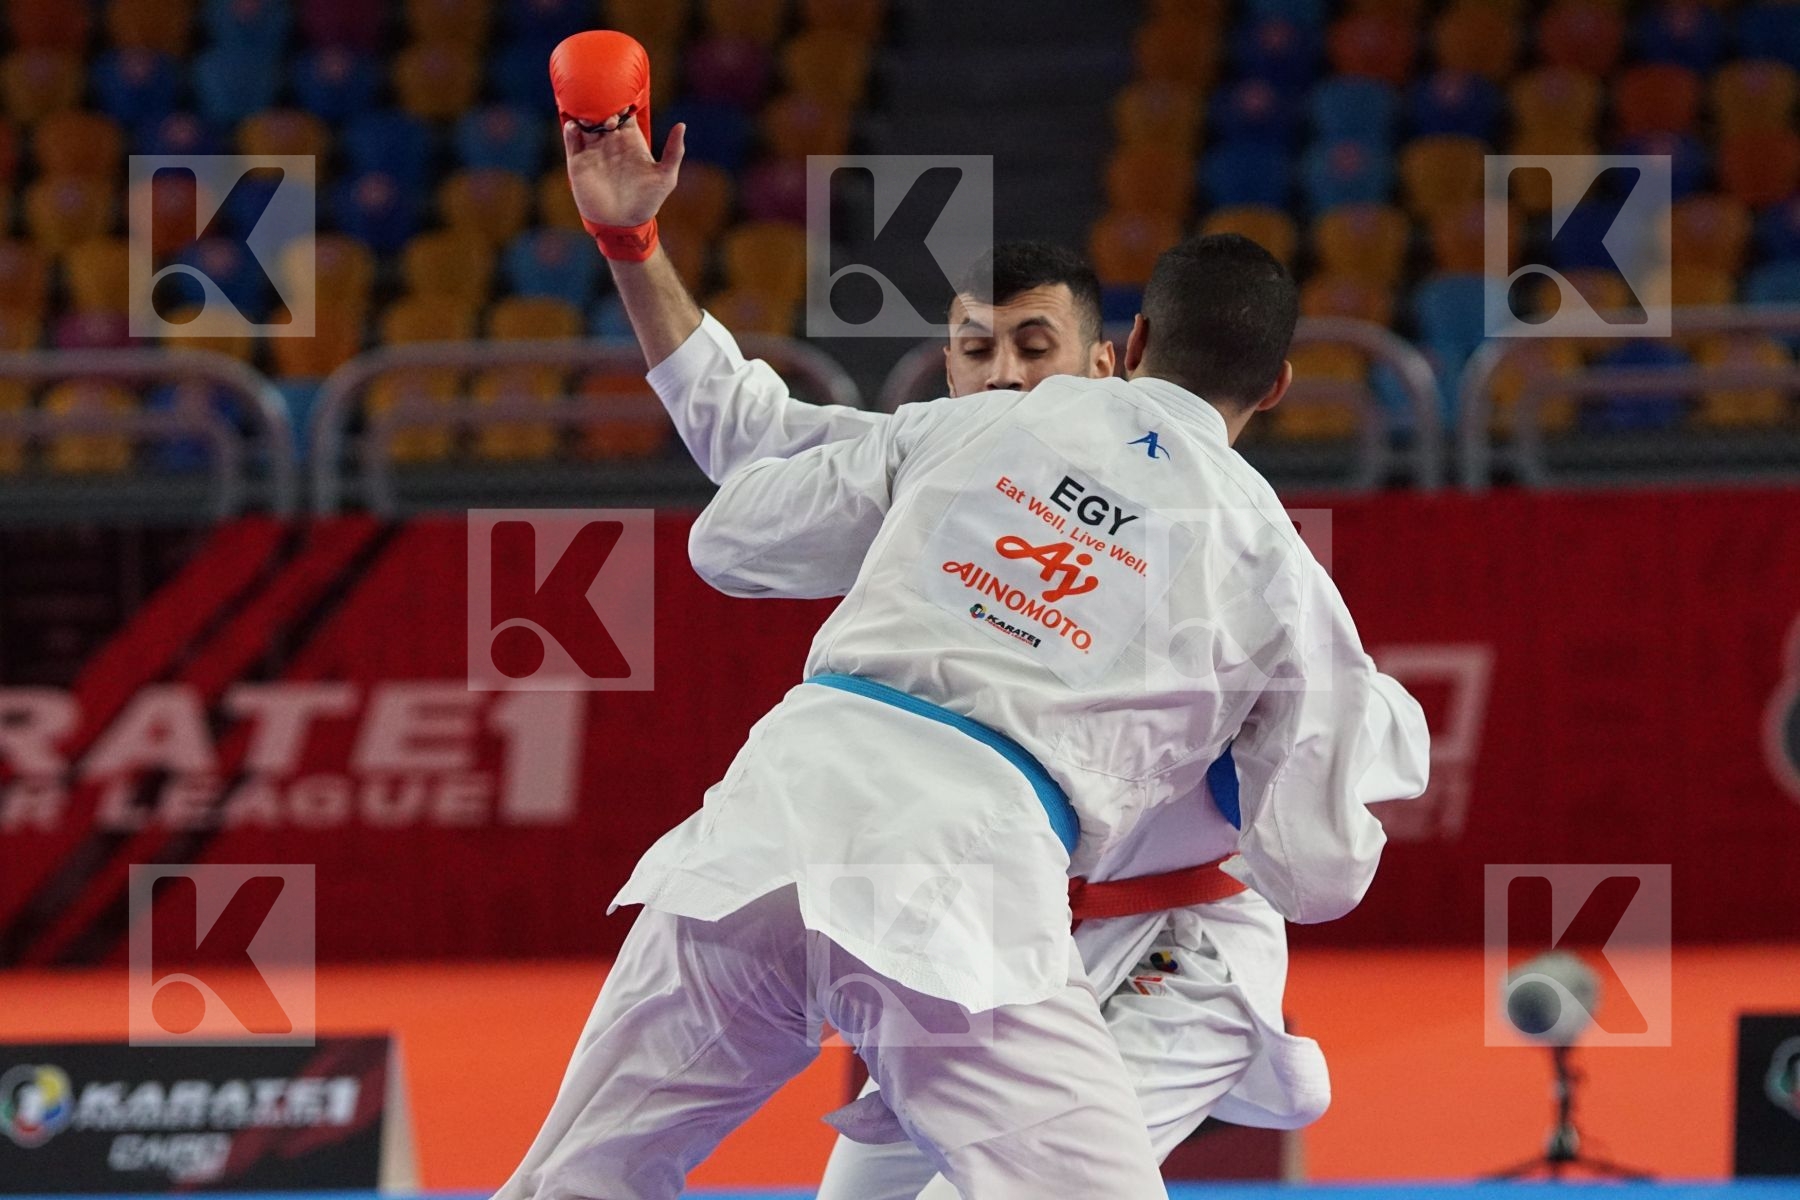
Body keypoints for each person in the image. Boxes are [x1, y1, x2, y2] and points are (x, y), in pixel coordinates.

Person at [492, 31, 1429, 1200]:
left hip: (796, 829)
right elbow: (1325, 868)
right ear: (1281, 387)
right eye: (974, 350)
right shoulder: (1275, 569)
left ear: (1118, 353)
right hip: (966, 887)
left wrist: (629, 247)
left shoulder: (974, 433)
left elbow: (731, 533)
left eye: (1030, 348)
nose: (997, 370)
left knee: (577, 1182)